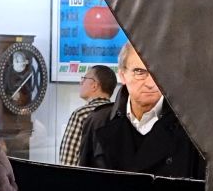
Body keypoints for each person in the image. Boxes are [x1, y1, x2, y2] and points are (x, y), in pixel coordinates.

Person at [79, 42, 204, 179]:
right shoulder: (98, 122)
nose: (150, 83)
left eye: (157, 72)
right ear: (122, 75)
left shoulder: (190, 127)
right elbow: (84, 183)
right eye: (139, 72)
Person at [58, 64, 116, 166]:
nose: (81, 82)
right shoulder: (119, 114)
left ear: (94, 85)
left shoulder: (82, 114)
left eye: (84, 79)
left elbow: (68, 161)